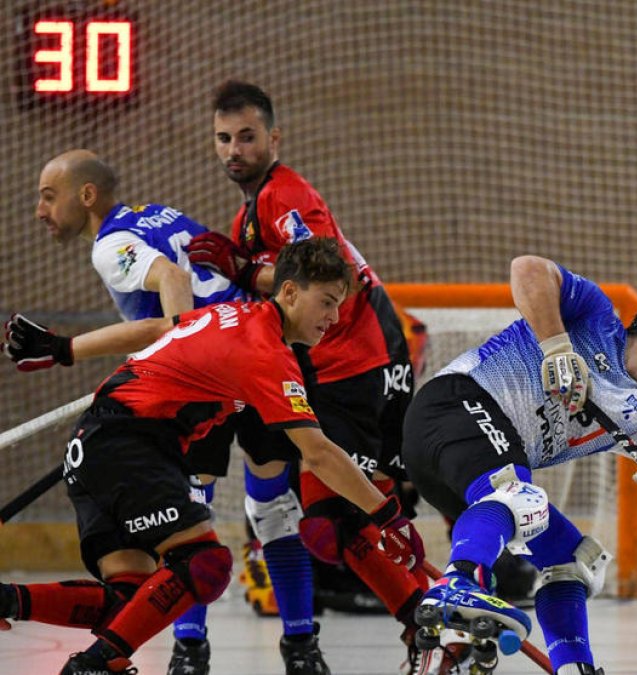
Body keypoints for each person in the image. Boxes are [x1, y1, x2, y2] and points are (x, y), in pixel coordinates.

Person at [0, 238, 424, 675]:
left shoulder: (230, 314)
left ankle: (8, 601)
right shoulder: (268, 352)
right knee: (205, 563)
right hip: (131, 445)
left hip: (93, 449)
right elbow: (317, 453)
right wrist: (388, 515)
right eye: (328, 302)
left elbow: (157, 329)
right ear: (291, 292)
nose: (334, 318)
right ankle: (94, 665)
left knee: (131, 604)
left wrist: (65, 349)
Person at [31, 149, 324, 675]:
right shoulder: (159, 213)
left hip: (206, 377)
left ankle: (189, 651)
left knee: (191, 517)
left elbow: (171, 276)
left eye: (49, 196)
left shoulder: (110, 244)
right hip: (259, 351)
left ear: (87, 195)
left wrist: (183, 345)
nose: (40, 210)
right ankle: (302, 649)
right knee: (274, 510)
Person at [186, 80, 434, 672]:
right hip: (306, 366)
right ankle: (412, 621)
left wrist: (245, 271)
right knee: (319, 528)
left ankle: (423, 616)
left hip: (352, 364)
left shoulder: (284, 195)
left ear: (274, 138)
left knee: (334, 521)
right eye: (223, 138)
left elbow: (329, 274)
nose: (233, 150)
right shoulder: (249, 211)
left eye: (247, 136)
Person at [402, 255, 637, 675]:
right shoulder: (596, 317)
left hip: (469, 475)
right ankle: (458, 582)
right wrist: (557, 348)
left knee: (576, 562)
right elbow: (527, 267)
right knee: (521, 496)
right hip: (452, 405)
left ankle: (574, 667)